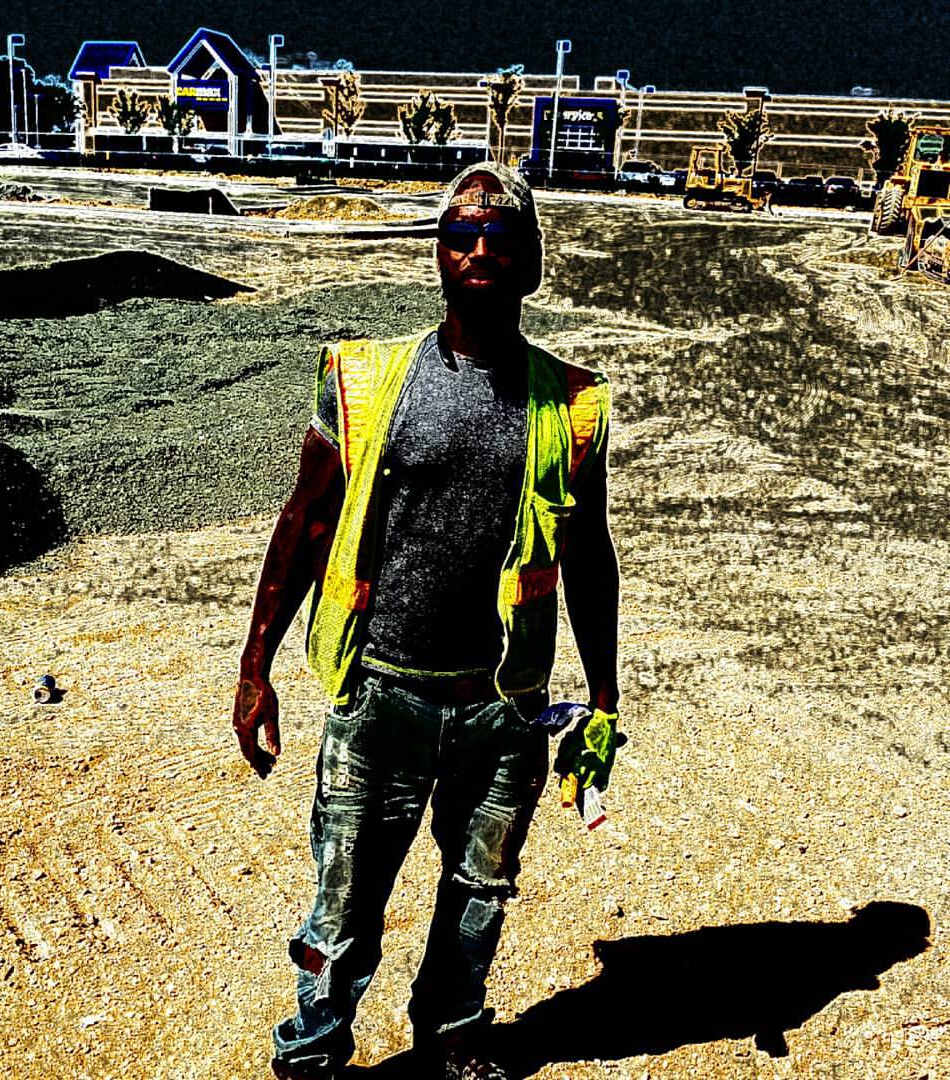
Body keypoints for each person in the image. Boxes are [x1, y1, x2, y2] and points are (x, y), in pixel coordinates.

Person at [233, 162, 620, 1080]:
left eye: (500, 236)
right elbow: (305, 522)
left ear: (532, 262)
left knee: (480, 888)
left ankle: (451, 1033)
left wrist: (604, 699)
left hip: (504, 705)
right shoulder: (368, 379)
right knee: (344, 902)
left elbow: (589, 554)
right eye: (460, 235)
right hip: (382, 696)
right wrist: (256, 668)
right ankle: (313, 1051)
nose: (478, 248)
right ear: (438, 257)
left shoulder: (572, 403)